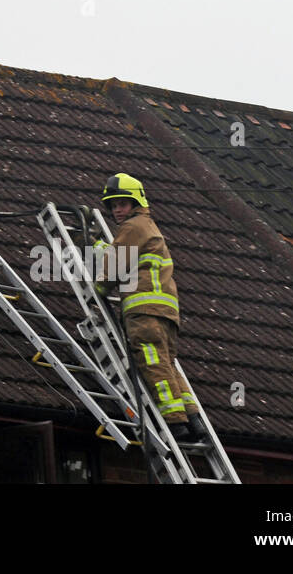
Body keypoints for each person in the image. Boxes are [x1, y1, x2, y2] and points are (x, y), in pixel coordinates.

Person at [95, 172, 206, 444]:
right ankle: (194, 419)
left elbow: (115, 266)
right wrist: (102, 248)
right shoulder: (149, 227)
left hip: (144, 311)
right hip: (165, 312)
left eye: (123, 203)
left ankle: (176, 424)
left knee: (153, 362)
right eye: (113, 205)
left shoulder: (133, 227)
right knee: (168, 365)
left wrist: (99, 286)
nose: (117, 210)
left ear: (136, 202)